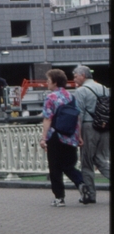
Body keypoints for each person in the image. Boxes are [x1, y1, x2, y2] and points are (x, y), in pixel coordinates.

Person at [39, 69, 84, 207]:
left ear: (55, 81)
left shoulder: (51, 97)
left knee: (55, 167)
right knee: (68, 165)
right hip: (70, 136)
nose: (47, 82)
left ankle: (59, 197)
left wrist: (43, 138)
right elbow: (77, 117)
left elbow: (48, 119)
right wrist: (79, 136)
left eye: (48, 80)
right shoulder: (71, 96)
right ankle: (81, 182)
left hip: (55, 135)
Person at [72, 65, 110, 204]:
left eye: (75, 76)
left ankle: (90, 195)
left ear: (83, 75)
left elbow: (79, 114)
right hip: (105, 127)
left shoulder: (81, 91)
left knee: (87, 161)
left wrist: (78, 134)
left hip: (89, 127)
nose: (74, 79)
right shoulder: (104, 88)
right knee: (100, 158)